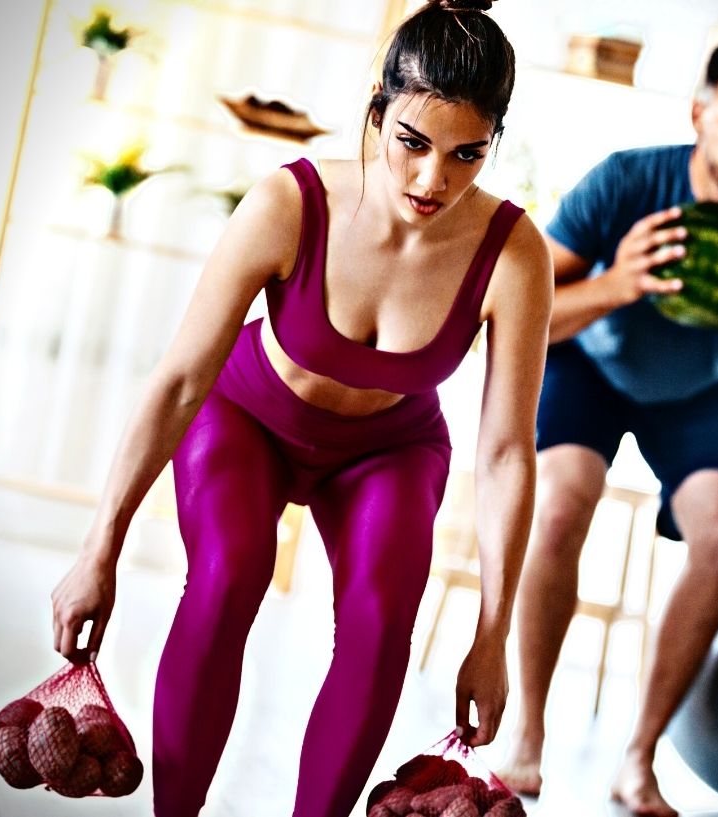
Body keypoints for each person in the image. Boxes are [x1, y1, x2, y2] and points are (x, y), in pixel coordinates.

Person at [48, 2, 552, 815]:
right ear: (376, 112)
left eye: (468, 155)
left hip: (389, 447)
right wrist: (98, 548)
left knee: (384, 622)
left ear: (494, 141)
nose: (433, 181)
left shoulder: (514, 252)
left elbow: (505, 454)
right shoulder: (292, 201)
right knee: (229, 571)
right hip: (247, 415)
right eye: (412, 144)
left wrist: (492, 636)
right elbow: (179, 379)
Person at [500, 35, 718, 817]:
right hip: (589, 366)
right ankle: (528, 731)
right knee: (562, 501)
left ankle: (638, 759)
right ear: (700, 113)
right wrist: (619, 283)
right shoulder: (627, 181)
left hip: (702, 388)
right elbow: (524, 320)